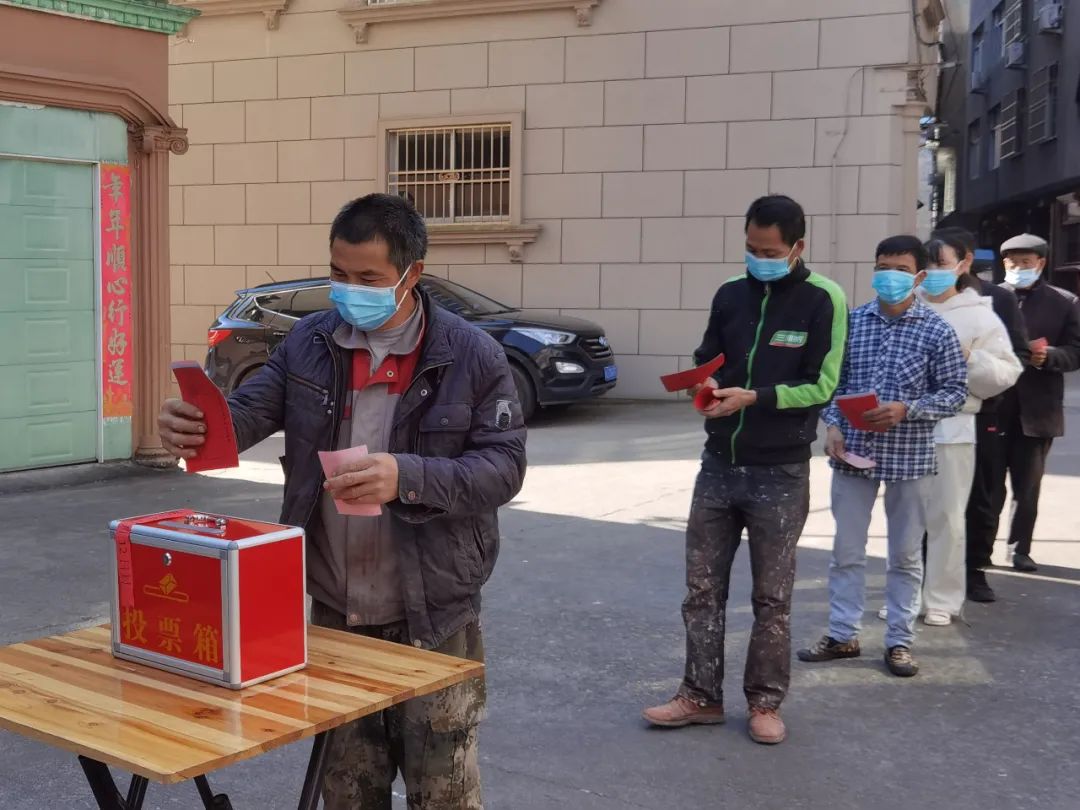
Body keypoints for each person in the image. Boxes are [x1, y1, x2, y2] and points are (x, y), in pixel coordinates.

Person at [157, 194, 527, 809]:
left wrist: (406, 476)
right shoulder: (310, 342)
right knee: (348, 787)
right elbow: (248, 413)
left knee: (443, 789)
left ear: (412, 273)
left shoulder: (470, 354)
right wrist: (199, 426)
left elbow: (503, 468)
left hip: (433, 613)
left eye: (369, 279)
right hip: (334, 607)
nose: (350, 291)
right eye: (339, 274)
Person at [643, 195, 848, 745]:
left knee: (772, 597)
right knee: (701, 590)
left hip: (779, 472)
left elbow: (822, 384)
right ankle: (699, 696)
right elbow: (708, 355)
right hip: (718, 465)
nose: (760, 259)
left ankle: (765, 702)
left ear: (798, 247)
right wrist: (707, 385)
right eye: (752, 249)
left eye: (771, 252)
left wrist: (754, 397)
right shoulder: (730, 294)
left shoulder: (824, 298)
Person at [797, 236, 966, 678]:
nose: (889, 276)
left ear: (920, 277)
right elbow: (832, 383)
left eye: (900, 269)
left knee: (905, 556)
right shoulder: (852, 323)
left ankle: (899, 641)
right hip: (852, 451)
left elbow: (954, 392)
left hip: (910, 457)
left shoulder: (936, 330)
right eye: (882, 267)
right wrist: (833, 424)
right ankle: (842, 634)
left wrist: (907, 409)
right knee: (846, 551)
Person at [913, 238, 1021, 625]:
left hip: (953, 425)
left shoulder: (979, 315)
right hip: (903, 426)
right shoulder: (906, 307)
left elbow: (1006, 372)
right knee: (906, 517)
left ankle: (942, 598)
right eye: (926, 265)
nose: (933, 272)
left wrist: (967, 357)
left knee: (947, 515)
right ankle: (905, 593)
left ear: (962, 265)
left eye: (941, 264)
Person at [980, 233, 1080, 573]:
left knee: (1027, 487)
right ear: (1003, 263)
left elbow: (1075, 351)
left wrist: (1049, 356)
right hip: (994, 405)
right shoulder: (987, 297)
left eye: (1026, 262)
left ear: (1041, 263)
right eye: (1013, 262)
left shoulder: (1064, 302)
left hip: (1038, 410)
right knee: (988, 485)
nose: (1019, 268)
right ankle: (982, 547)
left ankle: (1019, 549)